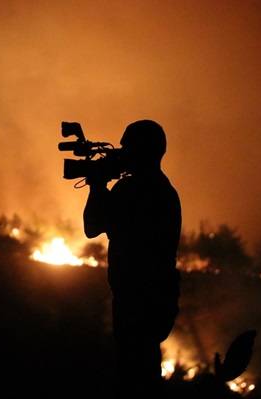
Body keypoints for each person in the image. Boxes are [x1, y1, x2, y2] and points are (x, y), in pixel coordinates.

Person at [83, 120, 181, 398]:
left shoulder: (134, 190)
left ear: (141, 150)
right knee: (145, 370)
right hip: (156, 299)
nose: (122, 152)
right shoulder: (164, 190)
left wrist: (98, 185)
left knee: (133, 376)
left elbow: (92, 227)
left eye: (127, 146)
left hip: (136, 300)